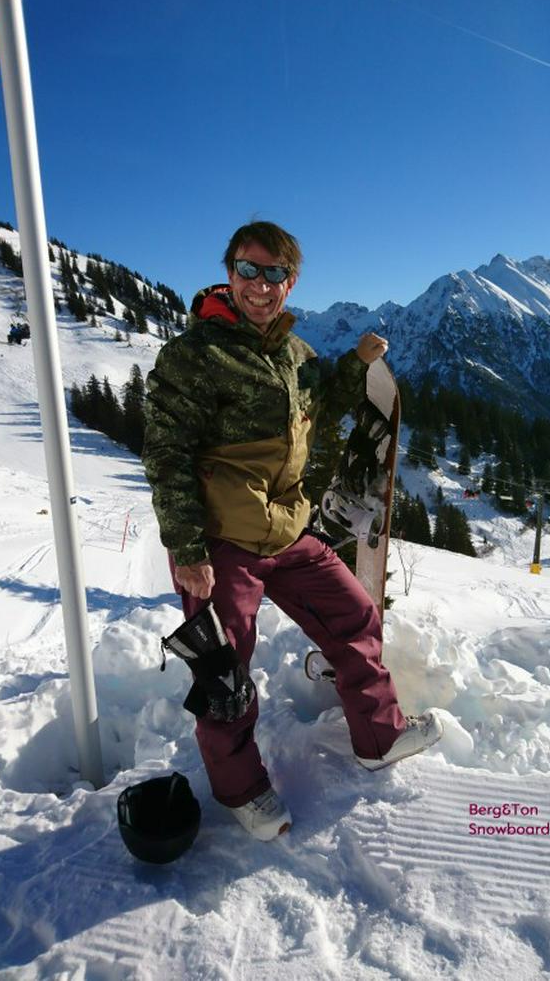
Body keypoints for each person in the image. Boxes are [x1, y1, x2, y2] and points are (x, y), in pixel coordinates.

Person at [142, 221, 442, 842]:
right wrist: (187, 549)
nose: (260, 285)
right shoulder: (195, 354)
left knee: (355, 616)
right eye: (249, 270)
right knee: (225, 670)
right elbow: (165, 453)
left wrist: (357, 365)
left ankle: (378, 738)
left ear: (291, 281)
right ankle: (241, 789)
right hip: (224, 541)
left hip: (286, 531)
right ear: (229, 272)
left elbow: (318, 407)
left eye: (274, 274)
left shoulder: (293, 354)